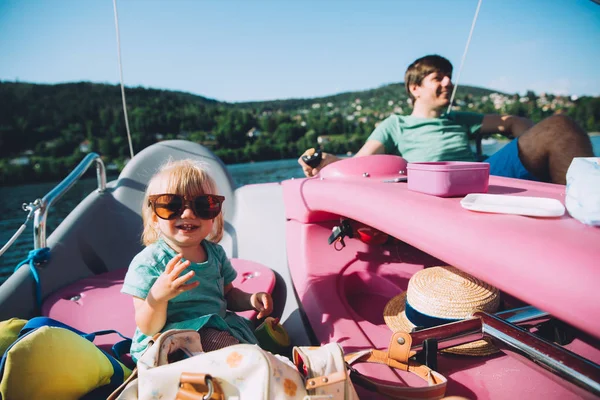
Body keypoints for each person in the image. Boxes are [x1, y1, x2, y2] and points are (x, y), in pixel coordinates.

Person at [299, 54, 594, 185]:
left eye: (449, 76)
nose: (448, 82)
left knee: (559, 127)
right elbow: (363, 165)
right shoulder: (395, 124)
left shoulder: (463, 119)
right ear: (415, 88)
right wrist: (328, 161)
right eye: (437, 77)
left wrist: (527, 146)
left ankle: (585, 213)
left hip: (485, 176)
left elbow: (512, 123)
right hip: (435, 189)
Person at [122, 159, 273, 362]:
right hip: (172, 340)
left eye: (203, 206)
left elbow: (227, 294)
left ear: (215, 215)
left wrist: (249, 300)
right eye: (171, 205)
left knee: (248, 341)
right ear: (155, 217)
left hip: (217, 329)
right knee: (229, 349)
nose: (188, 213)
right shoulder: (148, 264)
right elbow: (147, 326)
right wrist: (158, 297)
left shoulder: (216, 254)